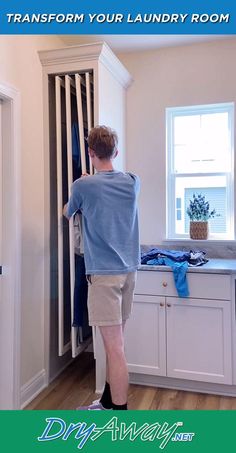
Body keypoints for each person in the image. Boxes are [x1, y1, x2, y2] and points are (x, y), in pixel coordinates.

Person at [64, 125, 140, 410]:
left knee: (114, 348)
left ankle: (119, 419)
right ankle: (108, 402)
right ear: (116, 152)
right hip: (129, 272)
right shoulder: (133, 181)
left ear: (90, 153)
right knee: (115, 344)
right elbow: (110, 195)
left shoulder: (83, 186)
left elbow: (67, 211)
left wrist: (82, 184)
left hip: (105, 276)